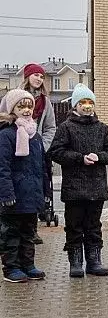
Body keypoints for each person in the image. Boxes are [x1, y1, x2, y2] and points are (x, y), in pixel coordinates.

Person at [47, 85, 108, 278]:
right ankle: (75, 261)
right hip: (74, 188)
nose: (87, 106)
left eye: (90, 102)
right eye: (83, 102)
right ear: (75, 106)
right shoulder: (66, 127)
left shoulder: (102, 128)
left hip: (97, 187)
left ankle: (94, 261)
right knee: (74, 225)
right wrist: (79, 158)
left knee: (93, 226)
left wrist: (99, 157)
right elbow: (56, 152)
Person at [0, 89, 46, 283]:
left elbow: (42, 167)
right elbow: (3, 167)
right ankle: (11, 267)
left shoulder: (34, 135)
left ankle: (28, 264)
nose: (26, 110)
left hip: (31, 193)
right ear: (13, 109)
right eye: (21, 106)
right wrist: (6, 193)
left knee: (28, 231)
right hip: (14, 194)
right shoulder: (7, 135)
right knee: (11, 233)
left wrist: (45, 192)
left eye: (29, 106)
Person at [22, 63, 57, 242]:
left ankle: (32, 228)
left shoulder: (45, 102)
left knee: (36, 188)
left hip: (38, 151)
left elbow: (51, 127)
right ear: (28, 76)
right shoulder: (17, 97)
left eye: (42, 76)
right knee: (21, 189)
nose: (38, 79)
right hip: (18, 150)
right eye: (35, 75)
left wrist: (42, 145)